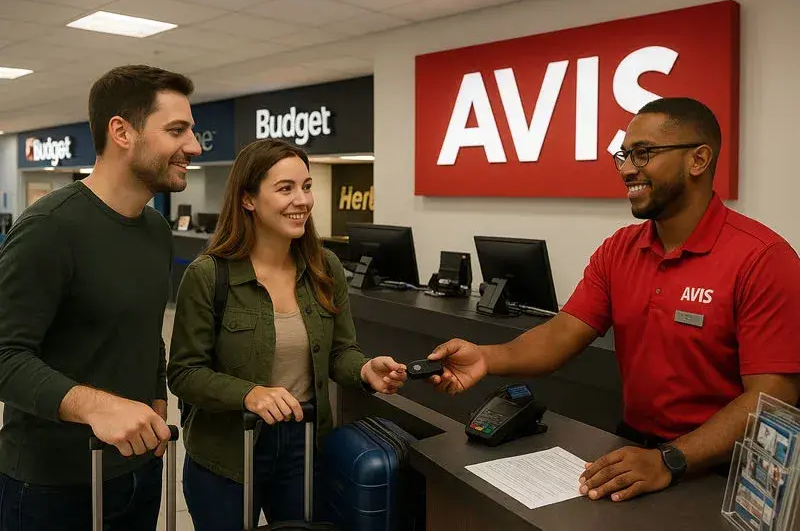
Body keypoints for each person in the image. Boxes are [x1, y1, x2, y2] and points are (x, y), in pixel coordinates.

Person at [426, 97, 800, 503]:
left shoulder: (763, 258)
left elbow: (771, 400)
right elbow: (561, 334)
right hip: (637, 451)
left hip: (722, 473)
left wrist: (671, 459)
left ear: (699, 159)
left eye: (643, 153)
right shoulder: (619, 249)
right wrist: (486, 357)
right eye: (624, 155)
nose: (626, 169)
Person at [167, 138, 408, 530]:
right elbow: (184, 373)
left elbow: (340, 351)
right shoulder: (210, 274)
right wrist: (249, 393)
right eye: (286, 188)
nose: (303, 200)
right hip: (229, 449)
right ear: (248, 199)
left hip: (305, 445)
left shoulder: (324, 267)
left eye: (307, 186)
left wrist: (364, 370)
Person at [0, 64, 202, 531]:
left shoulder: (156, 229)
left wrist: (155, 398)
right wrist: (98, 407)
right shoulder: (50, 228)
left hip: (137, 471)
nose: (193, 146)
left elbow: (145, 329)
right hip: (50, 488)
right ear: (121, 132)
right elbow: (6, 355)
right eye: (177, 130)